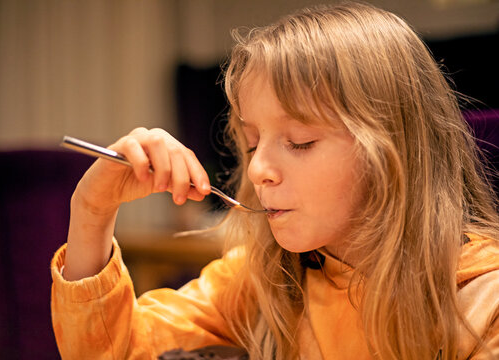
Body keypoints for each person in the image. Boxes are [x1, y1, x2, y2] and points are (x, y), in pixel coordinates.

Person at [50, 2, 499, 359]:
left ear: (394, 150)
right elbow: (113, 349)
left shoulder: (481, 300)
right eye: (251, 142)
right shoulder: (265, 277)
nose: (258, 169)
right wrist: (91, 210)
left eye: (300, 141)